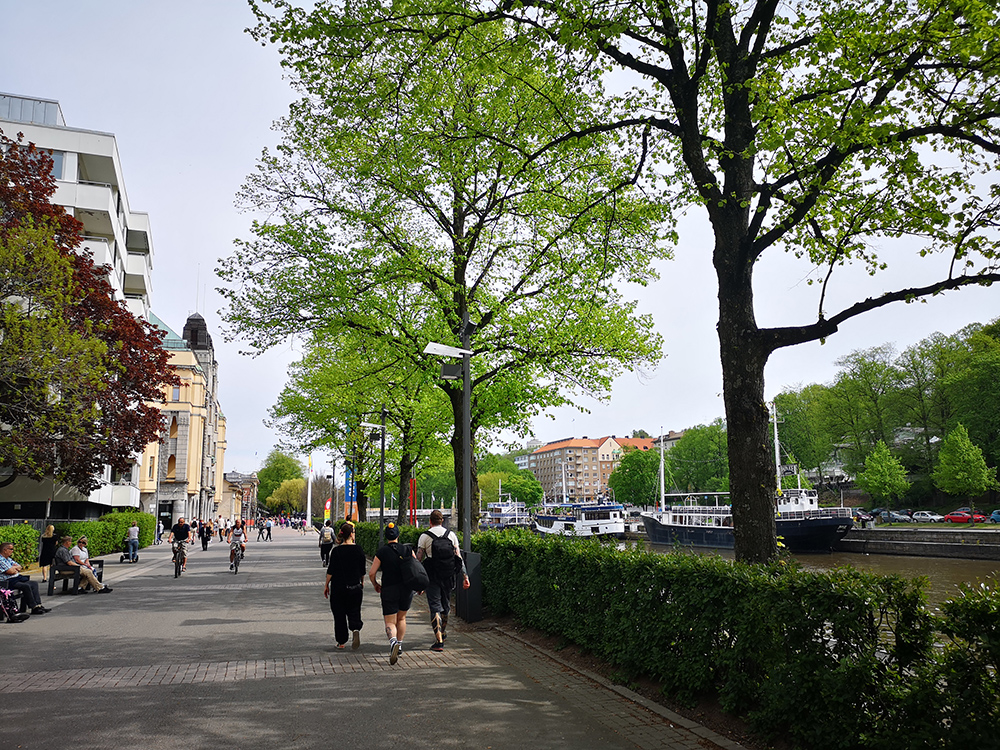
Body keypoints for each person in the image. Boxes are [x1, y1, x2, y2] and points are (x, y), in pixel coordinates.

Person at [417, 509, 471, 652]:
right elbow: (458, 558)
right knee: (445, 605)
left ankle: (439, 640)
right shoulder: (451, 535)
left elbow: (418, 559)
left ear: (430, 521)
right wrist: (465, 577)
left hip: (432, 575)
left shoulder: (425, 536)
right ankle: (443, 631)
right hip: (448, 575)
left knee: (435, 606)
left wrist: (418, 581)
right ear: (442, 521)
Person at [368, 522, 413, 665]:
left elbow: (372, 573)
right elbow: (415, 568)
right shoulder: (407, 549)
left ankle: (393, 642)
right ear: (398, 535)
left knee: (390, 621)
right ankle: (399, 644)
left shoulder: (382, 552)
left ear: (386, 536)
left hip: (389, 589)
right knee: (402, 618)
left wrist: (376, 584)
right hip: (406, 589)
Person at [324, 522, 366, 650]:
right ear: (351, 535)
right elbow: (362, 570)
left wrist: (326, 585)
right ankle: (355, 628)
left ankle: (341, 641)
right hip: (355, 587)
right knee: (354, 610)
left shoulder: (336, 551)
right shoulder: (359, 550)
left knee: (339, 614)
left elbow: (330, 571)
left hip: (339, 587)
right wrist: (362, 582)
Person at [0, 541, 51, 614]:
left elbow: (20, 567)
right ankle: (33, 607)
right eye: (11, 549)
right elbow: (10, 571)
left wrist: (14, 568)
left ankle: (38, 605)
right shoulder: (1, 560)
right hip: (7, 581)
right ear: (5, 550)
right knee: (26, 586)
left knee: (33, 583)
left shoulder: (8, 559)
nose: (12, 551)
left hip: (16, 578)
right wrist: (13, 569)